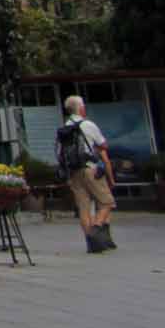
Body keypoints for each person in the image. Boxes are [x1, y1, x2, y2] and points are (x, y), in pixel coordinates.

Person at [57, 94, 117, 251]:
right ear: (81, 108)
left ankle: (91, 245)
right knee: (107, 202)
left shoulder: (65, 127)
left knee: (83, 208)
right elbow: (104, 145)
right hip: (90, 168)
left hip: (73, 172)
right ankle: (96, 229)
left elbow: (59, 152)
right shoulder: (88, 124)